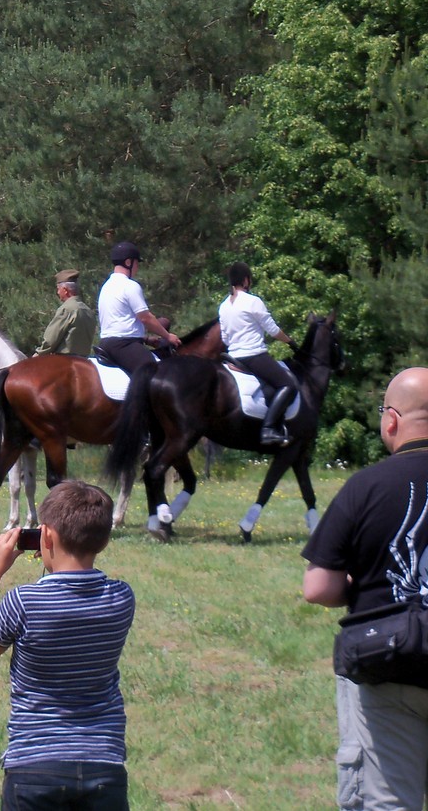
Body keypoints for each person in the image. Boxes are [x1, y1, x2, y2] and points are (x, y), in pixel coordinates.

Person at [302, 367, 428, 811]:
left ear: (391, 420)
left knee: (391, 801)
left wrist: (361, 584)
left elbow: (318, 587)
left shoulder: (366, 485)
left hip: (389, 666)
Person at [0, 480, 135, 810]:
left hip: (34, 765)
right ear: (103, 540)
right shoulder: (121, 598)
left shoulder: (25, 602)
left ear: (45, 536)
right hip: (104, 764)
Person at [219, 262, 299, 446]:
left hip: (233, 357)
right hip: (254, 355)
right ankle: (269, 429)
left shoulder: (223, 306)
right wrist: (291, 342)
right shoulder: (252, 301)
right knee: (288, 384)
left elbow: (224, 336)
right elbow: (272, 330)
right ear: (246, 280)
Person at [96, 240, 181, 374]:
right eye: (136, 263)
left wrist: (146, 339)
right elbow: (146, 318)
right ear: (128, 262)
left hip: (108, 343)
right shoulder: (129, 286)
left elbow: (119, 322)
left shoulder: (106, 287)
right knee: (156, 374)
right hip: (124, 345)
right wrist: (168, 336)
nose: (137, 268)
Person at [34, 269, 95, 356]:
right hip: (84, 360)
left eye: (58, 289)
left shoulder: (66, 309)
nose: (58, 292)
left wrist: (36, 356)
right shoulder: (88, 311)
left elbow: (50, 340)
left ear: (65, 290)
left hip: (64, 360)